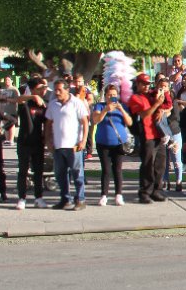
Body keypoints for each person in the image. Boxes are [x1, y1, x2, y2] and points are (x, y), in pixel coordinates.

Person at [43, 79, 89, 210]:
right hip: (58, 145)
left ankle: (80, 199)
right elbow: (48, 124)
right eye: (56, 90)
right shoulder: (53, 105)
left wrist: (83, 140)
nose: (57, 92)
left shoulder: (76, 103)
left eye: (60, 90)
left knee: (77, 174)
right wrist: (48, 141)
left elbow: (85, 122)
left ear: (67, 90)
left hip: (74, 145)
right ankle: (65, 199)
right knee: (60, 174)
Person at [127, 74, 172, 203]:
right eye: (143, 84)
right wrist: (157, 104)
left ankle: (156, 190)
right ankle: (144, 192)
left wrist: (161, 108)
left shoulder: (152, 94)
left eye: (148, 84)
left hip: (159, 134)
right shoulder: (135, 98)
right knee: (148, 165)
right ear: (138, 84)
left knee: (160, 165)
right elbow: (144, 114)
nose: (146, 86)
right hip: (147, 135)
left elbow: (168, 104)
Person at [91, 84, 132, 206]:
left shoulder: (122, 106)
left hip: (118, 143)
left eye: (114, 95)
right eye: (109, 95)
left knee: (117, 169)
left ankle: (118, 195)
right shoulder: (100, 106)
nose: (112, 97)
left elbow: (129, 122)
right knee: (106, 169)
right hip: (103, 143)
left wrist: (121, 109)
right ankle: (104, 195)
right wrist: (105, 110)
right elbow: (95, 120)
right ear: (105, 95)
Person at [14, 78, 49, 210]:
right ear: (33, 89)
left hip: (38, 142)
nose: (43, 90)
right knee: (23, 170)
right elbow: (17, 99)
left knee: (38, 171)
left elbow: (47, 123)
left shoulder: (44, 104)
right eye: (40, 88)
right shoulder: (26, 102)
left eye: (44, 88)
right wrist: (33, 96)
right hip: (24, 141)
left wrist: (46, 139)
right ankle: (21, 198)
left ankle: (38, 197)